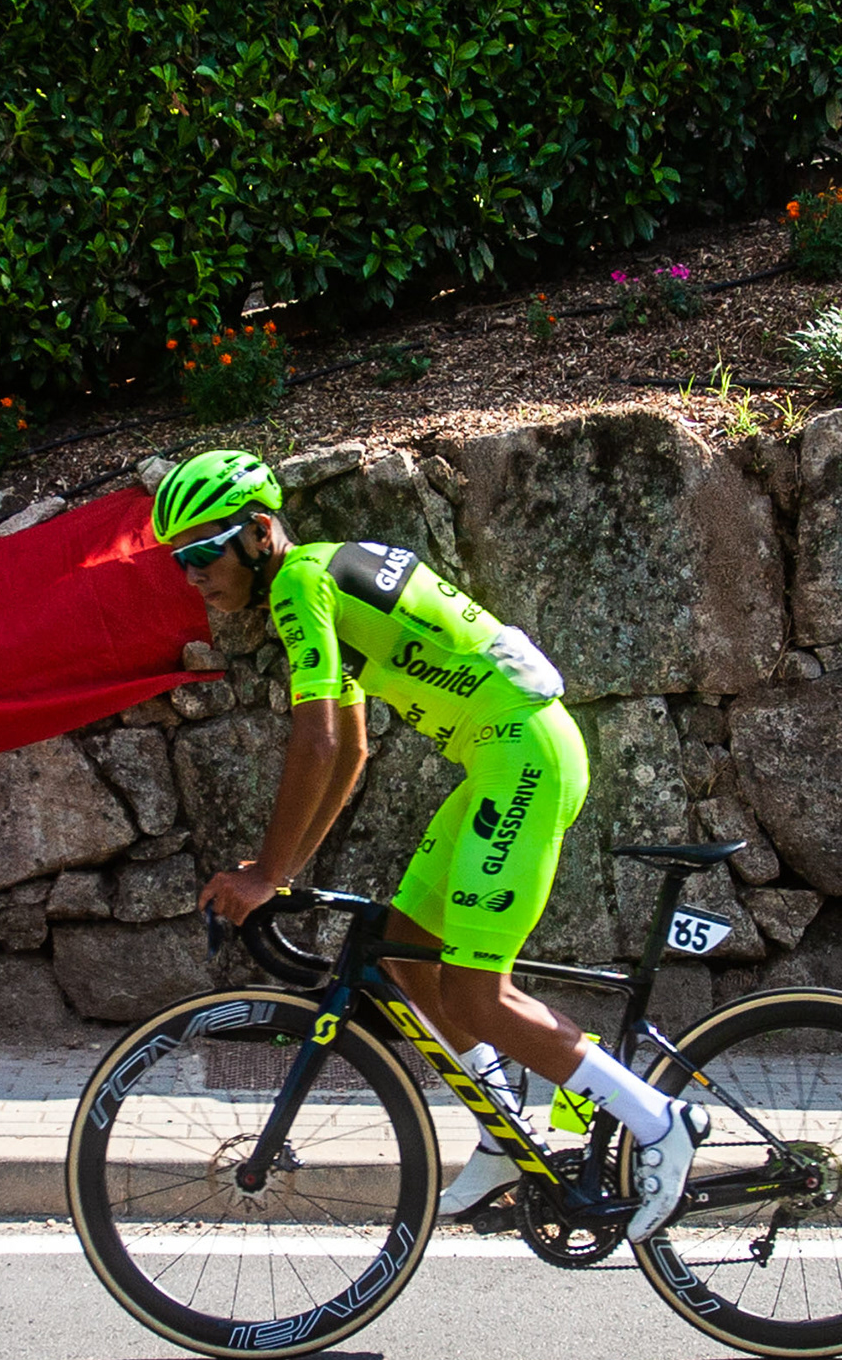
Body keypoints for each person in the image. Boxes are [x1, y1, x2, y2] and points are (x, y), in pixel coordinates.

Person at [153, 447, 710, 1242]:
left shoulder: (303, 584)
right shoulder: (318, 582)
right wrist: (278, 875)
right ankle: (505, 1137)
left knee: (480, 995)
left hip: (523, 757)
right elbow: (347, 751)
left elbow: (314, 741)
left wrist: (268, 873)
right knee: (408, 956)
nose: (194, 575)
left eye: (203, 553)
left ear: (259, 533)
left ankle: (659, 1122)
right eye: (180, 563)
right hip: (498, 758)